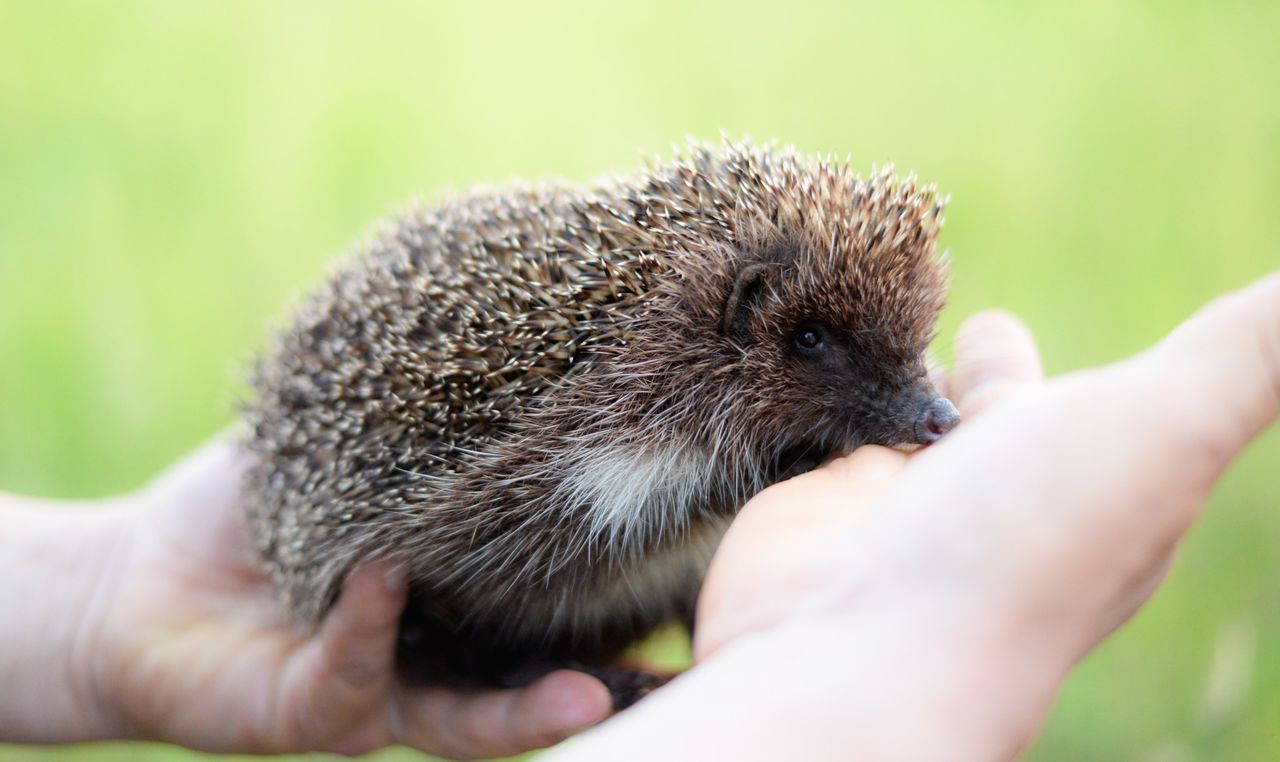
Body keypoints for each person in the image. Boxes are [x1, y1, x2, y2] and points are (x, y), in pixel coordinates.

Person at [2, 271, 1276, 760]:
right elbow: (590, 509)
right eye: (844, 361)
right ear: (756, 321)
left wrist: (91, 602)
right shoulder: (641, 429)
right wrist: (878, 665)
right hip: (471, 570)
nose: (919, 408)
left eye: (911, 362)